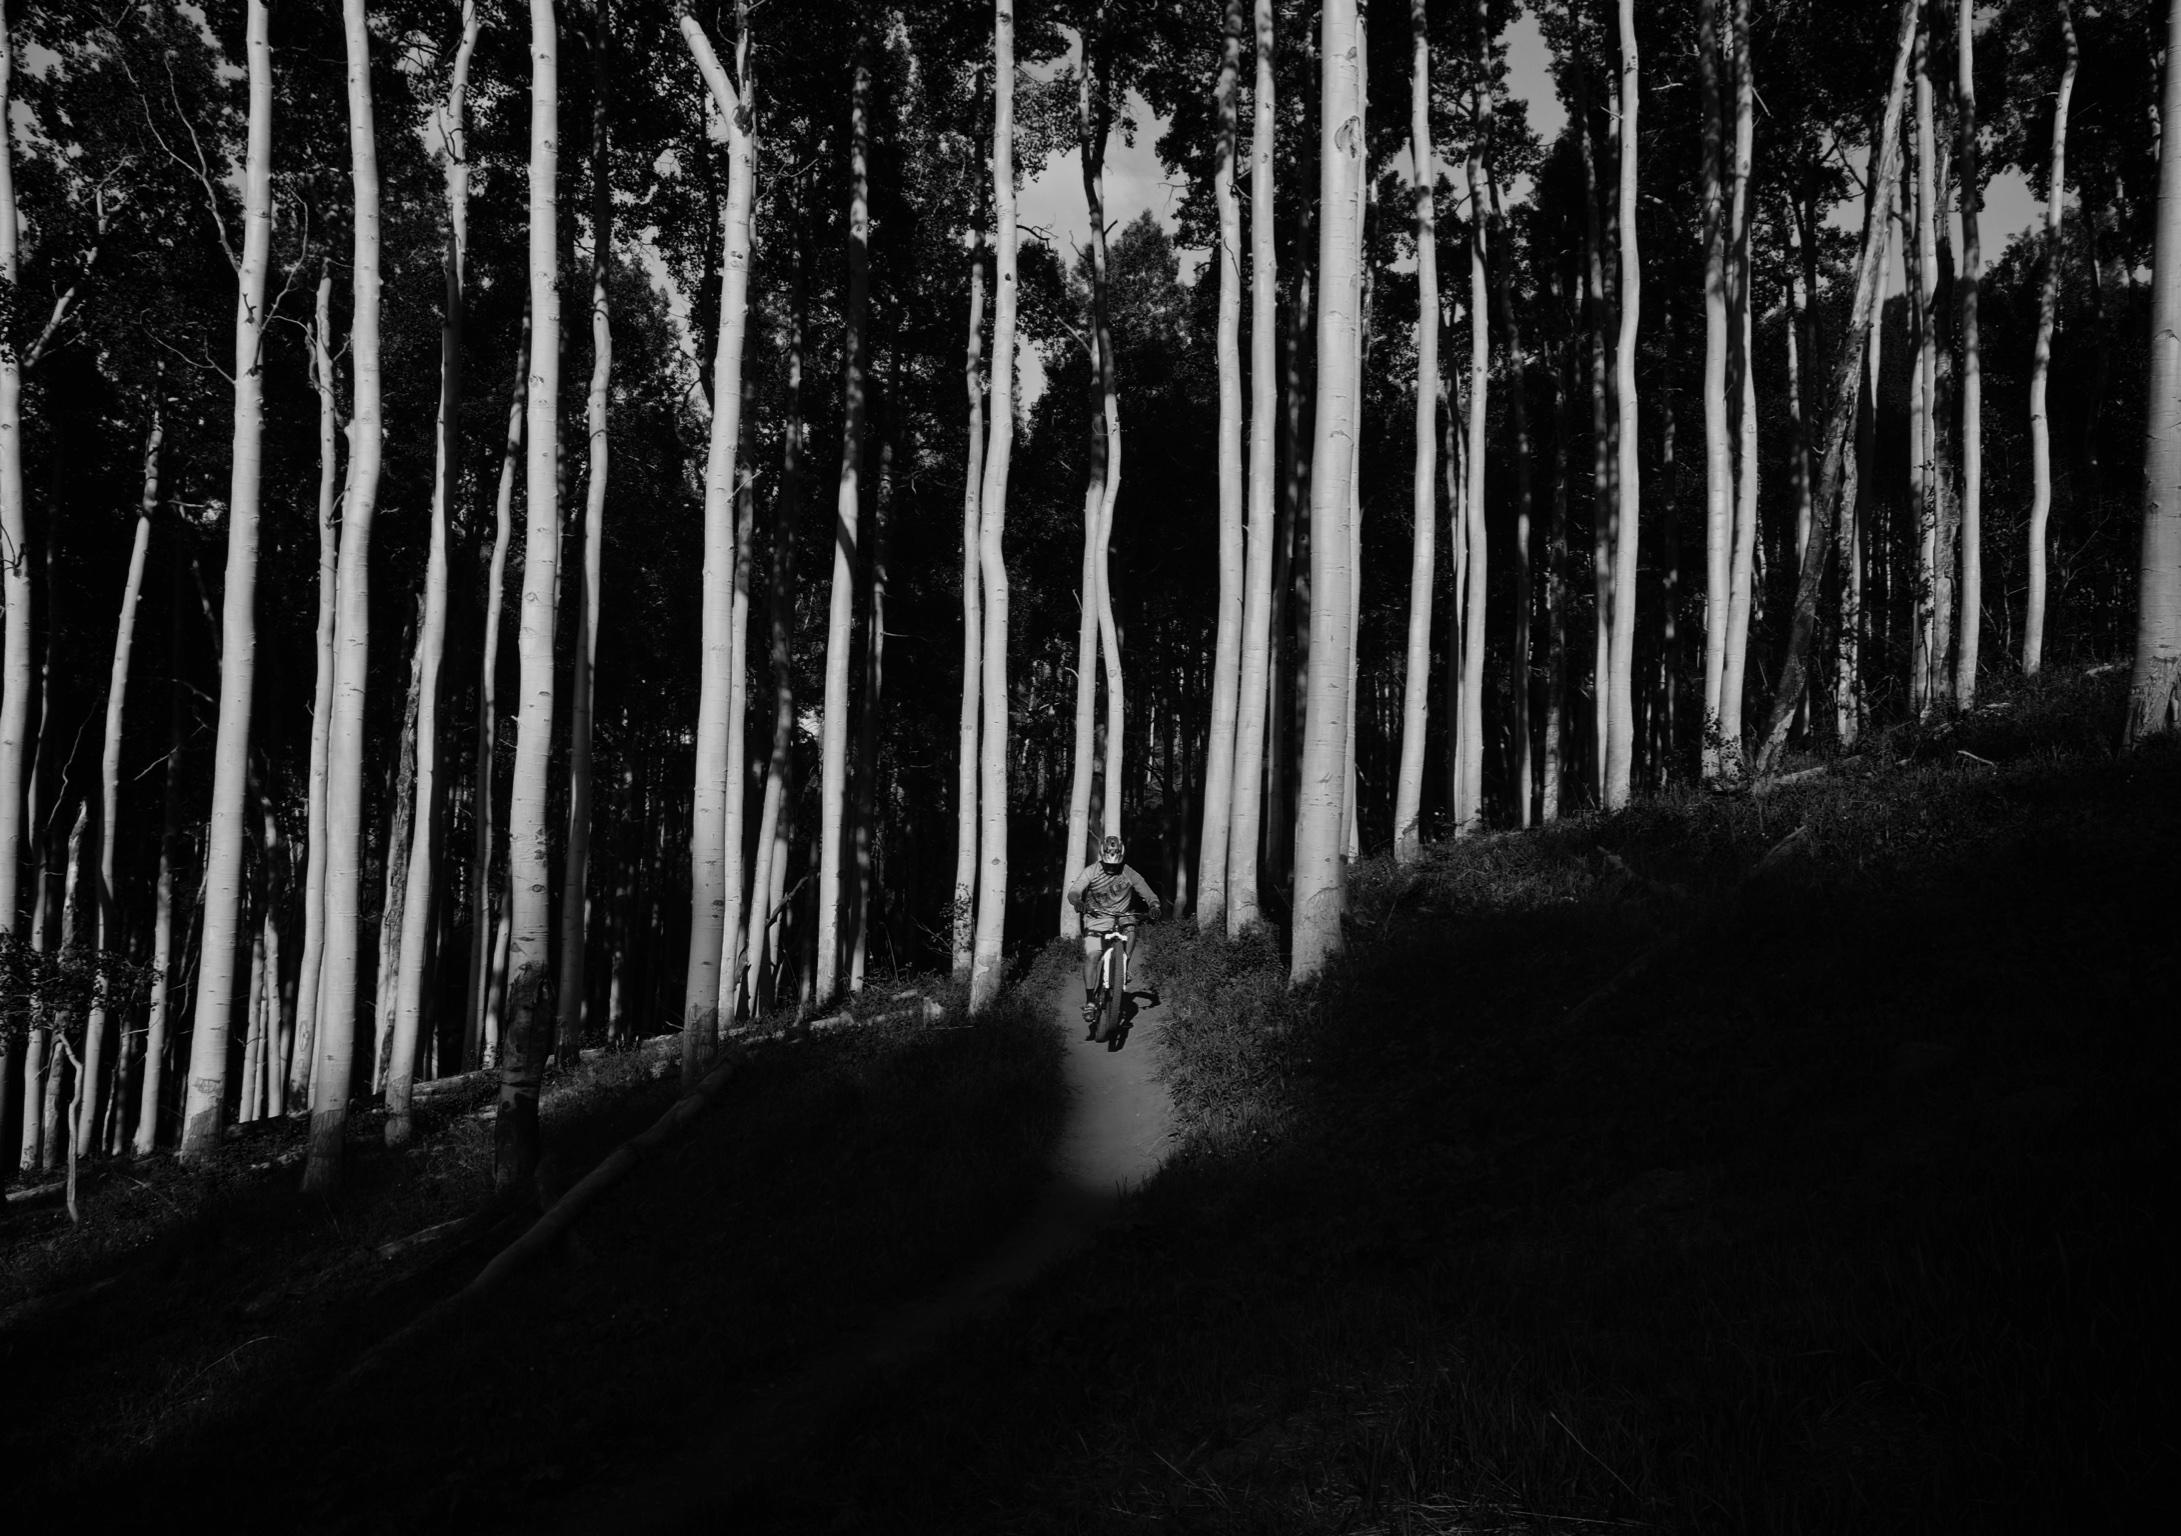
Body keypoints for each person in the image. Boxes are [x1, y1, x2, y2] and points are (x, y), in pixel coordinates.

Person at [1067, 833, 1165, 1033]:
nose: (1112, 869)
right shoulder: (1091, 871)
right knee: (1093, 956)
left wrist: (1154, 905)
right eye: (1108, 866)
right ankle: (1090, 1002)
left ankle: (1123, 966)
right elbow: (1074, 890)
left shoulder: (1129, 872)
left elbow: (1147, 892)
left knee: (1131, 927)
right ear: (1102, 858)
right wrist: (1077, 901)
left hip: (1123, 915)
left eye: (1115, 866)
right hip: (1096, 916)